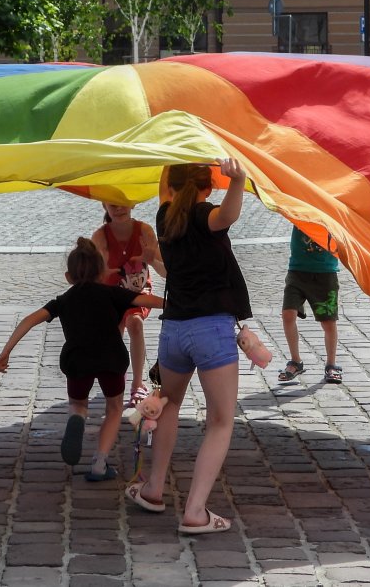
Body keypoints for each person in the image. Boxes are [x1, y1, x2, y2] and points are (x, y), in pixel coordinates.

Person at [124, 159, 249, 535]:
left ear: (171, 186)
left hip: (174, 331)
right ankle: (195, 511)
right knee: (220, 421)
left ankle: (153, 488)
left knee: (169, 406)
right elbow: (228, 216)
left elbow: (176, 267)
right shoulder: (202, 215)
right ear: (207, 187)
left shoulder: (166, 217)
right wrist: (239, 180)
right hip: (210, 330)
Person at [0, 237, 162, 480]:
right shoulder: (114, 293)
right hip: (111, 359)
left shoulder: (63, 301)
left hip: (77, 360)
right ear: (103, 272)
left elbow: (29, 320)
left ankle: (76, 418)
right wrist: (182, 304)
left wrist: (5, 351)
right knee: (114, 408)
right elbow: (153, 302)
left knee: (78, 404)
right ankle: (99, 463)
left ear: (68, 277)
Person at [91, 204, 166, 406]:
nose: (117, 207)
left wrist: (152, 260)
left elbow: (166, 271)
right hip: (111, 294)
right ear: (103, 205)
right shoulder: (100, 236)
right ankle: (118, 375)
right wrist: (102, 273)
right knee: (115, 333)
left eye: (121, 201)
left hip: (137, 292)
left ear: (132, 203)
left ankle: (137, 384)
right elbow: (92, 276)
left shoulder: (144, 231)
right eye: (111, 202)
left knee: (135, 323)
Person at [277, 225, 343, 385]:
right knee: (288, 314)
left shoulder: (331, 207)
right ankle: (295, 361)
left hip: (325, 272)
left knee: (328, 322)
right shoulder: (300, 204)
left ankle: (331, 365)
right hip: (297, 271)